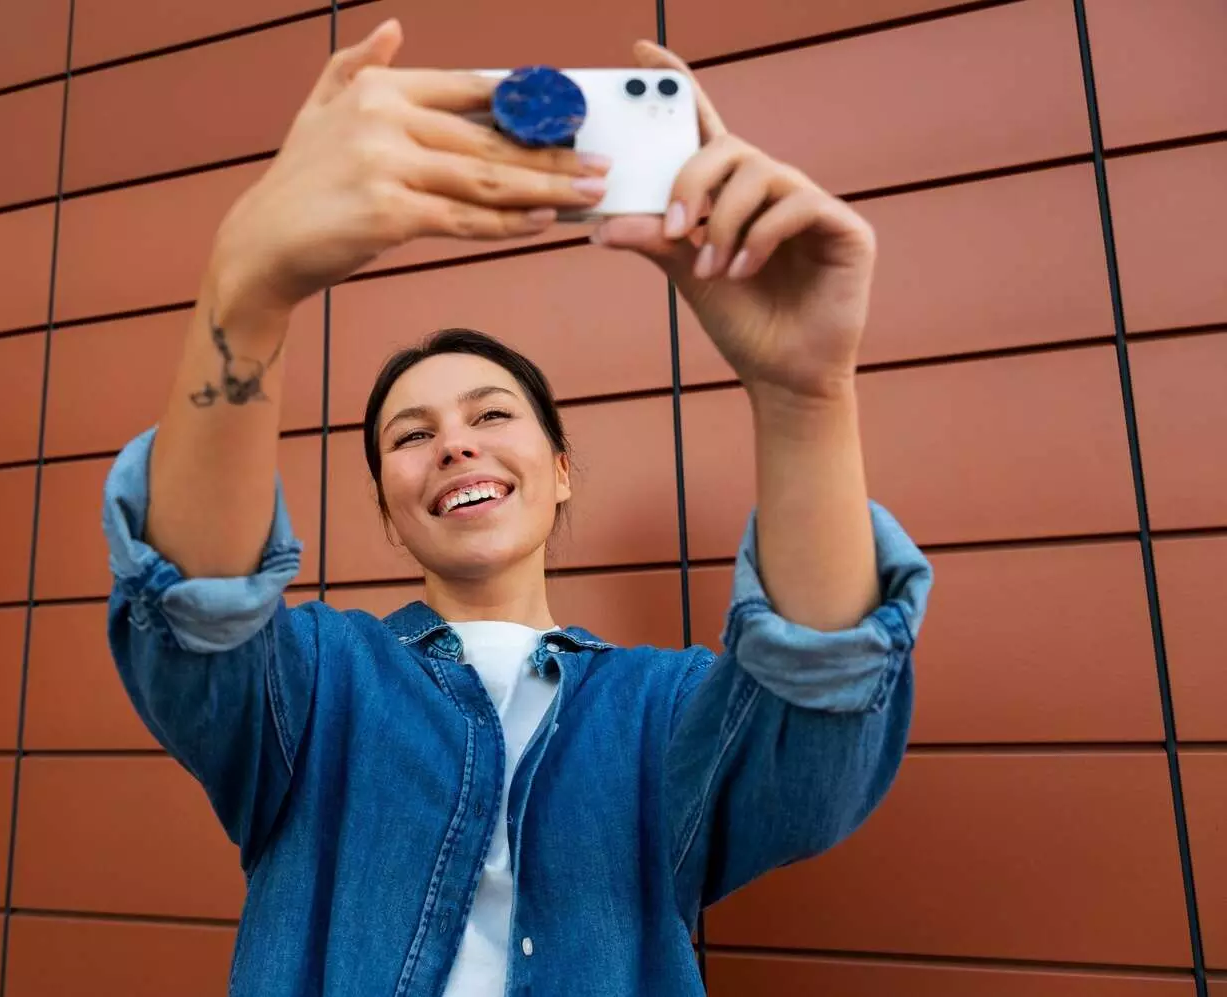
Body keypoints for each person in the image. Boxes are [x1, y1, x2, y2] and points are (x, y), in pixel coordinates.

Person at [101, 18, 932, 997]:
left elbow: (818, 726)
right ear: (390, 510)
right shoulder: (320, 683)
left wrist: (805, 396)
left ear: (562, 468)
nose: (456, 444)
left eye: (492, 414)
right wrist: (244, 287)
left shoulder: (664, 711)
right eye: (411, 435)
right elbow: (199, 611)